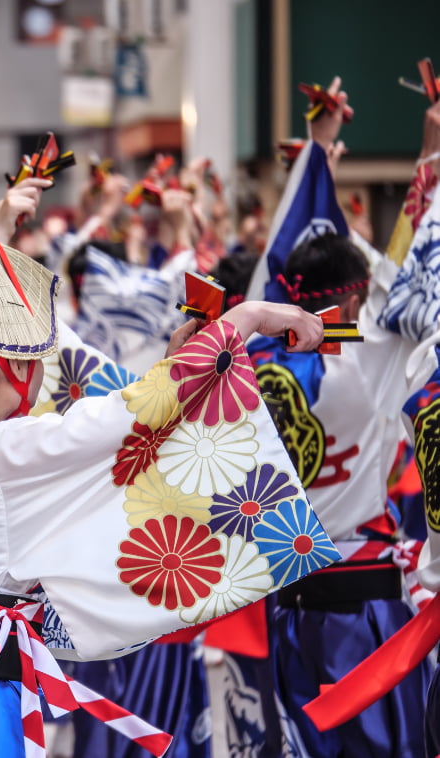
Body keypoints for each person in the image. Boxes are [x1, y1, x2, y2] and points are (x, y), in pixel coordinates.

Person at [0, 190, 335, 758]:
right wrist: (247, 318)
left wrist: (174, 368)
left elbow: (117, 415)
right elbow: (122, 418)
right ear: (15, 367)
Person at [245, 78, 437, 758]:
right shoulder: (377, 359)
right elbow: (410, 278)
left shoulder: (250, 363)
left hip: (293, 602)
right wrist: (429, 161)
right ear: (355, 296)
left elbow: (268, 273)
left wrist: (316, 154)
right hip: (370, 604)